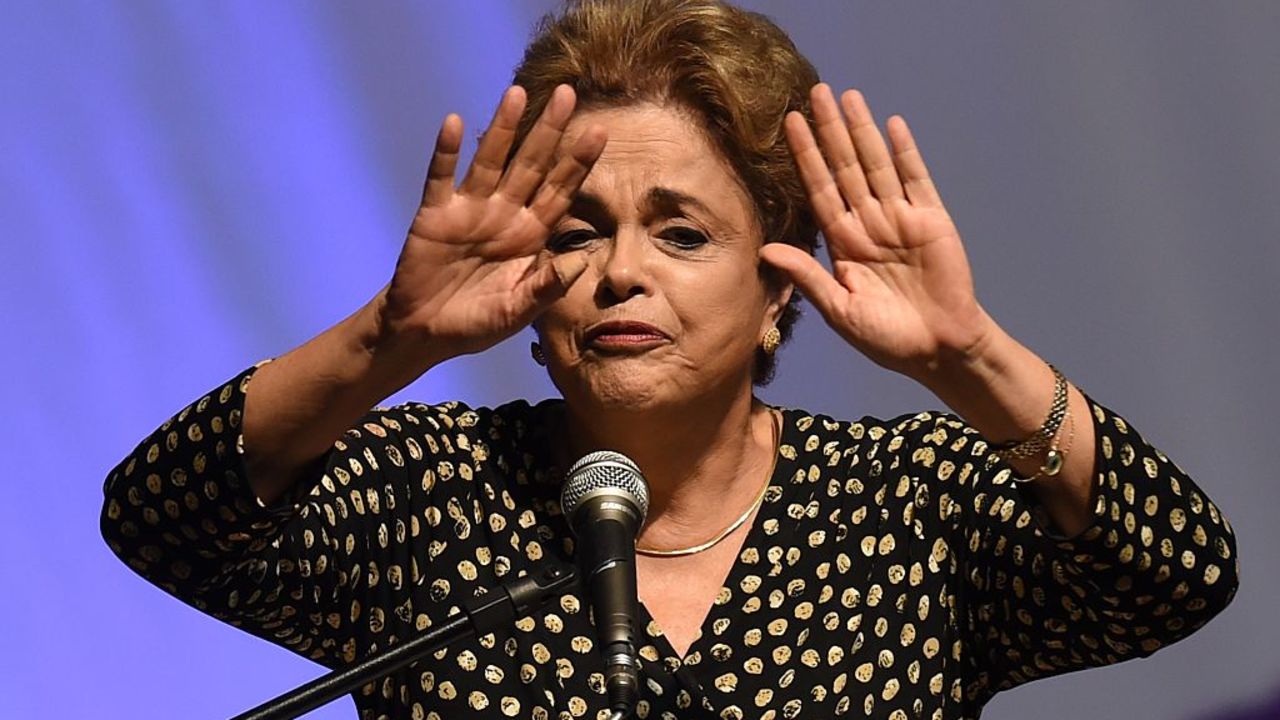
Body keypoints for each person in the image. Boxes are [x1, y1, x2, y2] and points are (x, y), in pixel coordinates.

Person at [100, 1, 1239, 718]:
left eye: (681, 231)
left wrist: (968, 356)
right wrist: (386, 340)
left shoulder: (908, 501)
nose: (619, 273)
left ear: (773, 290)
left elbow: (1173, 577)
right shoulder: (432, 489)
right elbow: (161, 515)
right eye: (577, 229)